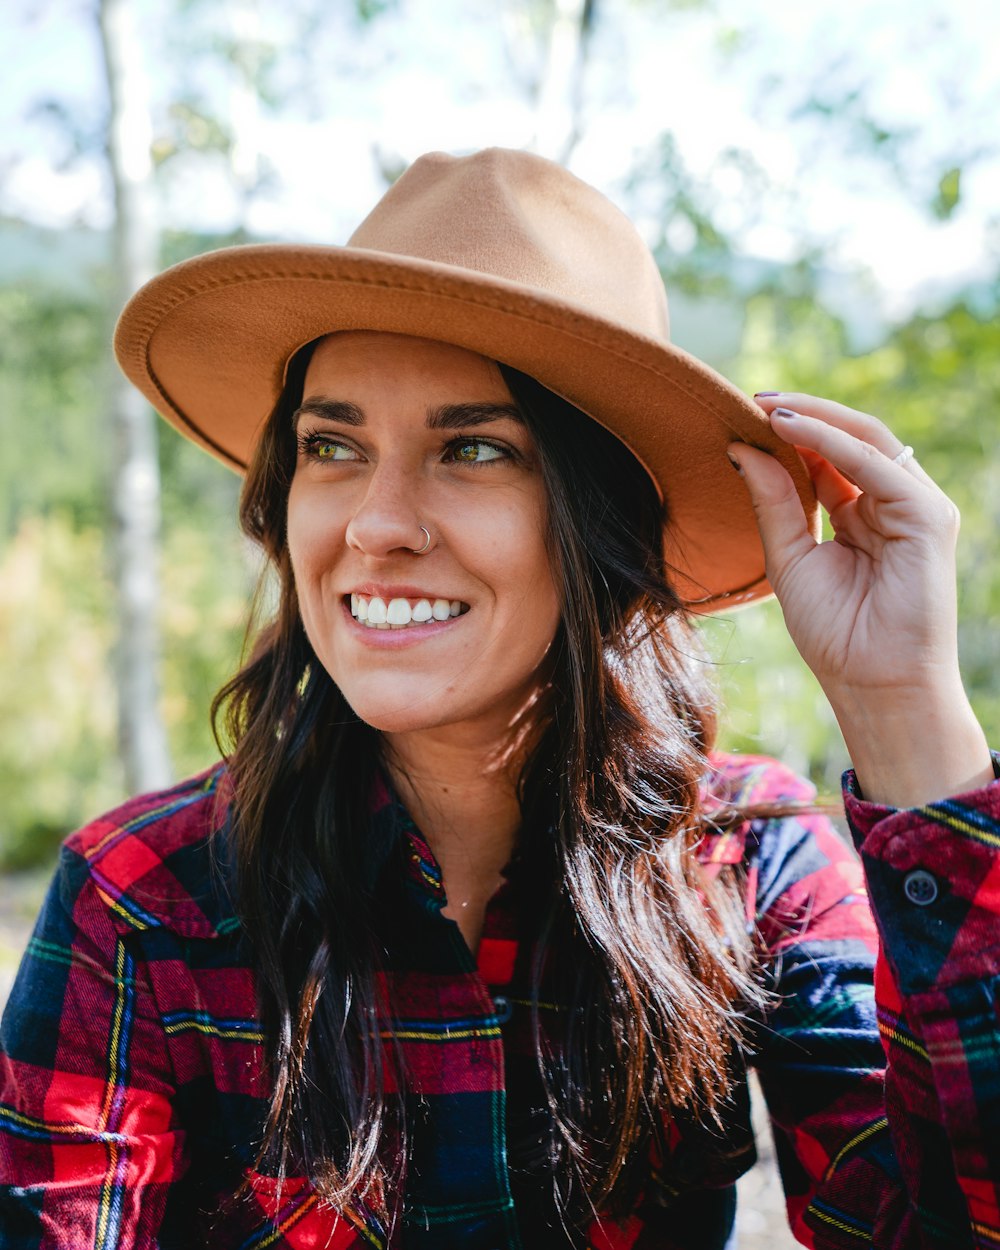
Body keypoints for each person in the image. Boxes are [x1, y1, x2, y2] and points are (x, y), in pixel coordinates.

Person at [1, 147, 997, 1250]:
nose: (376, 523)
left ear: (604, 530)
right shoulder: (143, 901)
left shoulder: (749, 866)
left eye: (472, 448)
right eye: (331, 446)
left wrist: (901, 703)